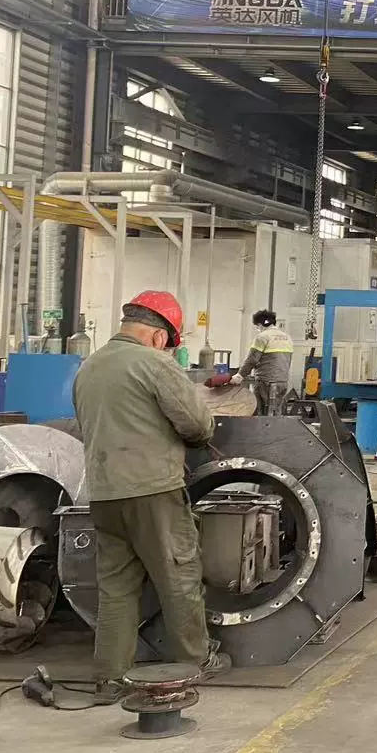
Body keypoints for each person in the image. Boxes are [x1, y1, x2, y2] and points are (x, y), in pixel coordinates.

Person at [72, 290, 228, 701]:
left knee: (116, 587)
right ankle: (196, 659)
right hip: (153, 492)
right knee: (178, 577)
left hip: (104, 494)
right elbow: (197, 425)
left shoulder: (89, 367)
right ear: (160, 337)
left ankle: (110, 677)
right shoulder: (154, 363)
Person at [238, 309, 294, 415]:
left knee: (261, 413)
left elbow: (252, 359)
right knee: (276, 412)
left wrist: (239, 375)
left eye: (257, 327)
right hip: (282, 382)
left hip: (266, 382)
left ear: (260, 325)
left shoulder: (262, 337)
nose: (257, 329)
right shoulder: (287, 338)